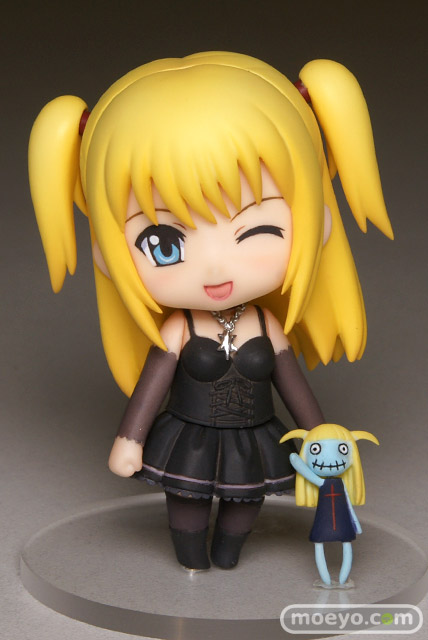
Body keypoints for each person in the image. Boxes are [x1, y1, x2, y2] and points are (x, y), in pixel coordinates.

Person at [29, 51, 392, 571]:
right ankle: (191, 562)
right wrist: (129, 439)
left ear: (319, 221)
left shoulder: (267, 327)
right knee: (188, 507)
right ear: (106, 255)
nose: (215, 266)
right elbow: (152, 386)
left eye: (258, 229)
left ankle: (227, 554)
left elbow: (294, 388)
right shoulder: (180, 329)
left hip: (253, 438)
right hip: (189, 439)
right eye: (164, 243)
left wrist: (322, 436)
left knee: (244, 508)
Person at [280, 424, 379, 585]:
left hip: (342, 520)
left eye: (343, 449)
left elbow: (348, 505)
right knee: (320, 543)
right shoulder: (323, 483)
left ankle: (342, 578)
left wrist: (355, 523)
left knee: (345, 543)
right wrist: (296, 461)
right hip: (323, 520)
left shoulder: (340, 484)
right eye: (315, 449)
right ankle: (326, 579)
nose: (331, 458)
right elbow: (302, 468)